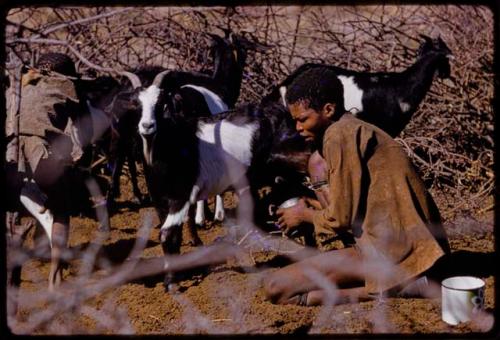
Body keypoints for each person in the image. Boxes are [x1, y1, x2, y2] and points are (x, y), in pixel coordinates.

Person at [263, 67, 450, 306]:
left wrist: (302, 215)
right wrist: (313, 206)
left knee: (275, 287)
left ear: (328, 110)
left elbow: (340, 219)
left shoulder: (338, 136)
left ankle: (408, 286)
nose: (298, 128)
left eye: (303, 119)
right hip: (415, 246)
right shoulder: (351, 128)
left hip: (395, 252)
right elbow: (355, 202)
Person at [17, 52, 92, 290]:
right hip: (39, 155)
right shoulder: (67, 85)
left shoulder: (21, 81)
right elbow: (86, 131)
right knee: (62, 208)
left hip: (10, 152)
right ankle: (54, 276)